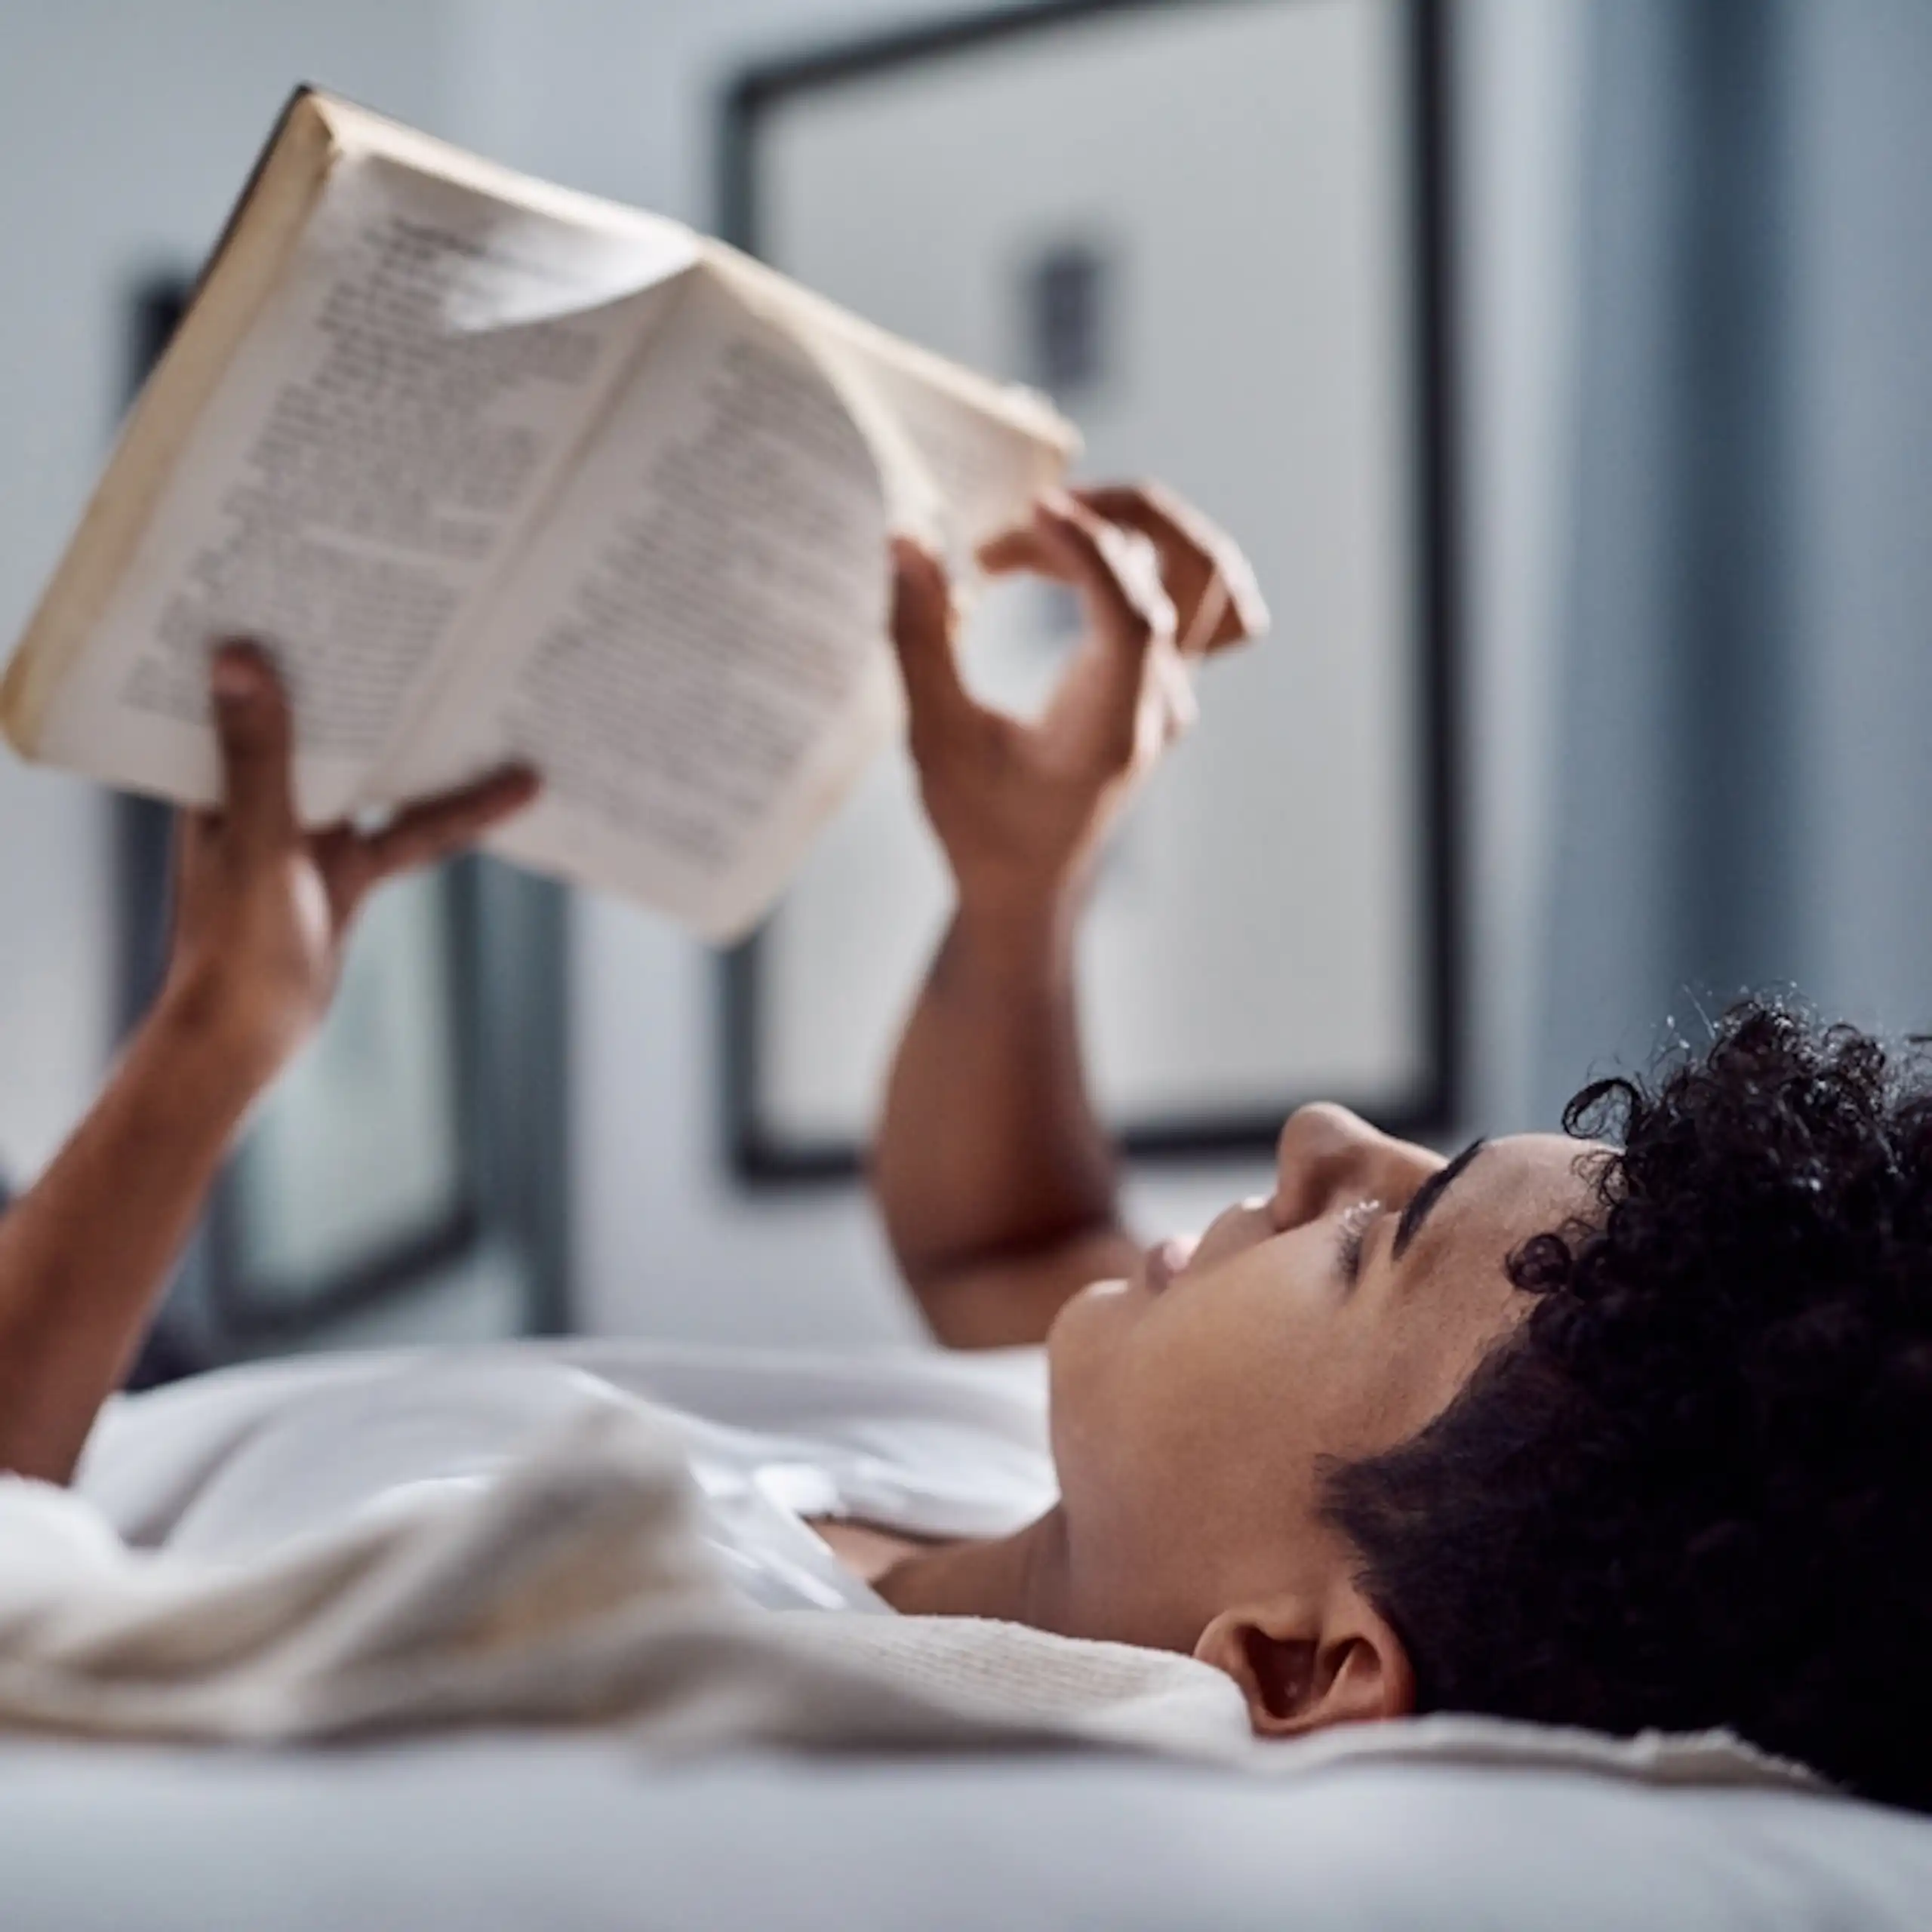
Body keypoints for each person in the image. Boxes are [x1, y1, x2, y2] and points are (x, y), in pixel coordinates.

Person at [1, 484, 1926, 1812]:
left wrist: (210, 1046)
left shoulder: (631, 1653)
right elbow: (1003, 1221)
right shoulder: (1101, 1497)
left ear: (1294, 1666)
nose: (1322, 1132)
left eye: (1368, 1241)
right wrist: (1022, 892)